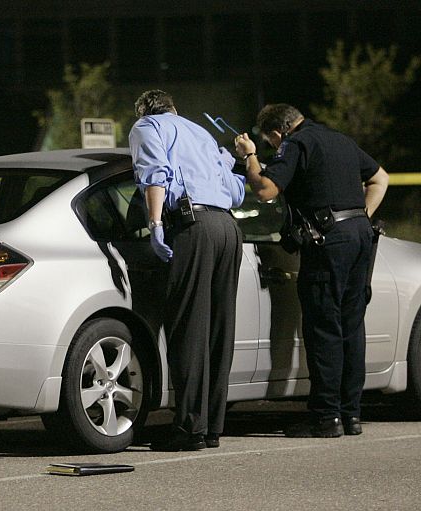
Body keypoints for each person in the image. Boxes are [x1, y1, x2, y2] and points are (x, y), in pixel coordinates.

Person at [234, 104, 389, 437]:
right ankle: (351, 415)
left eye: (270, 143)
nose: (274, 148)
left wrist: (249, 156)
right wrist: (359, 215)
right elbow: (380, 178)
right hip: (361, 236)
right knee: (351, 326)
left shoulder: (296, 144)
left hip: (329, 243)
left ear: (278, 132)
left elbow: (265, 190)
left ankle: (326, 417)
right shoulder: (341, 139)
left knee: (323, 327)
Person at [129, 89, 246, 451]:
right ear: (175, 108)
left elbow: (154, 175)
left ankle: (189, 428)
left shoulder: (147, 126)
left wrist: (154, 224)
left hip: (193, 226)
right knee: (218, 330)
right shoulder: (202, 133)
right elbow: (237, 193)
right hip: (228, 228)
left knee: (189, 328)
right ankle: (212, 427)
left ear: (144, 110)